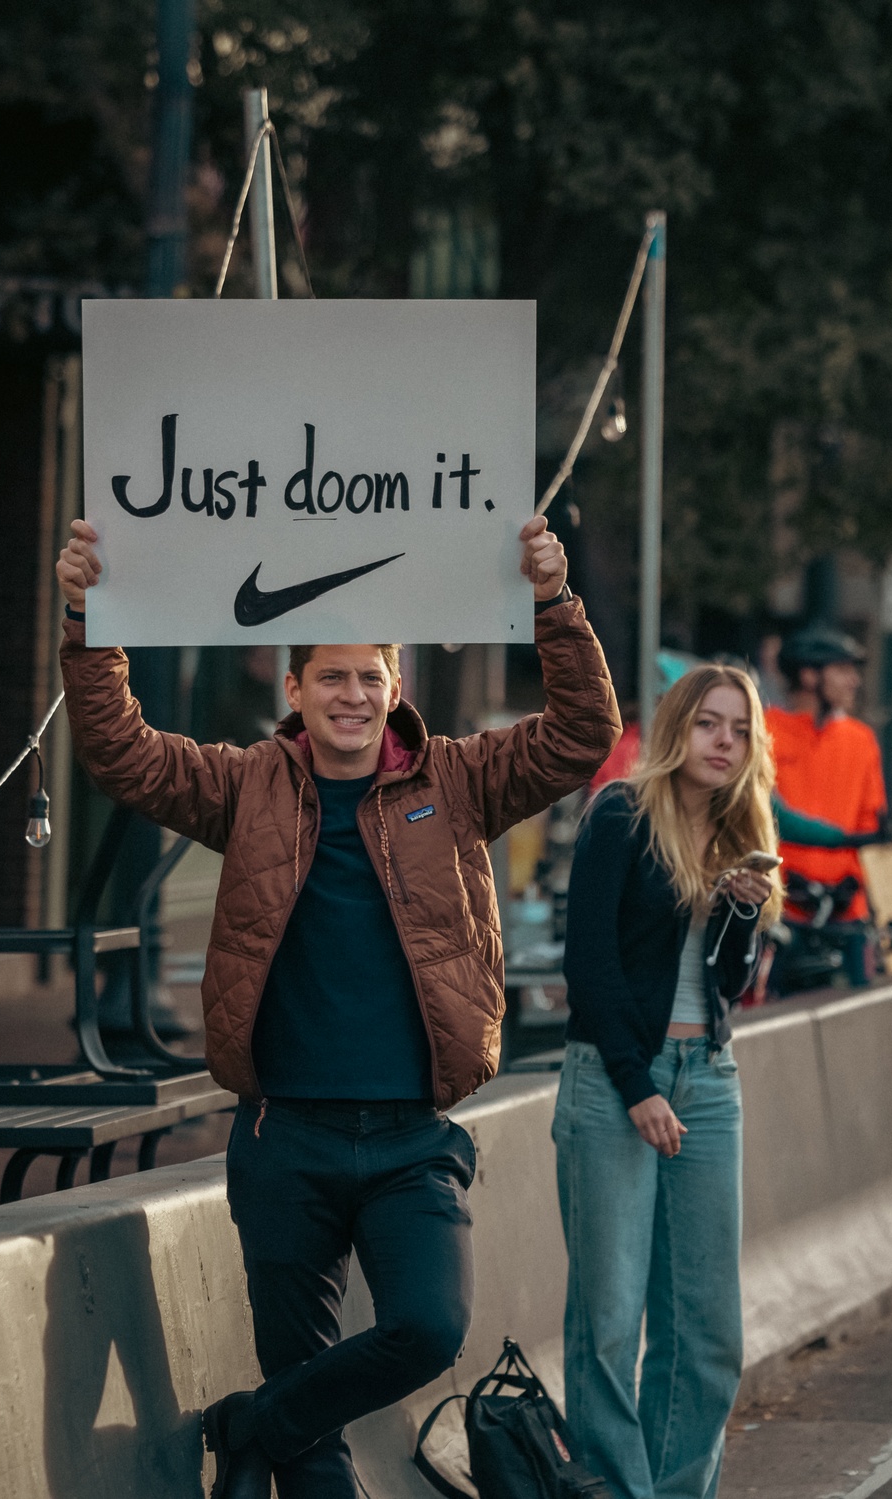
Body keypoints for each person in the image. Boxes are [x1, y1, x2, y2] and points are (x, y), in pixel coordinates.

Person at [56, 514, 621, 1499]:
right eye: (330, 676)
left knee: (427, 1325)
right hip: (286, 1135)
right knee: (311, 1420)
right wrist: (85, 616)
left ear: (394, 686)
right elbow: (123, 755)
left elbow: (583, 733)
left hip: (410, 1137)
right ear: (295, 690)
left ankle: (251, 1423)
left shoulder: (459, 780)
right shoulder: (249, 784)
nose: (351, 695)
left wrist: (553, 601)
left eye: (369, 676)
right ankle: (279, 1430)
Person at [552, 664, 781, 1499]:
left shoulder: (735, 831)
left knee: (707, 1330)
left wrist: (744, 912)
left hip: (709, 1080)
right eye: (711, 723)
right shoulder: (619, 813)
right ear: (679, 726)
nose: (725, 742)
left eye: (741, 729)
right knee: (610, 1323)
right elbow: (592, 964)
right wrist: (634, 1084)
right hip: (617, 1082)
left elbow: (727, 983)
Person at [766, 625, 887, 988]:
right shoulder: (764, 731)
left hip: (847, 910)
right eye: (844, 670)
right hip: (783, 911)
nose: (854, 681)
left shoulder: (861, 740)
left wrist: (856, 887)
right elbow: (763, 817)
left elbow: (873, 827)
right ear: (808, 675)